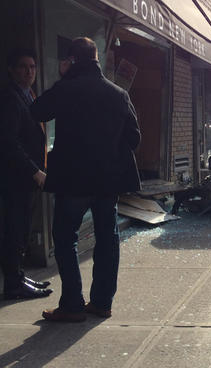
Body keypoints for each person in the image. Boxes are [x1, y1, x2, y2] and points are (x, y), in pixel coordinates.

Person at [31, 37, 141, 322]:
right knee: (108, 238)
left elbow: (37, 111)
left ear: (72, 61)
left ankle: (73, 303)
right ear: (96, 59)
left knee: (65, 239)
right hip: (107, 183)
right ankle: (102, 302)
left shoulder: (66, 89)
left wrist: (63, 78)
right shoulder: (118, 94)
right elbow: (134, 138)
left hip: (72, 181)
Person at [0, 48, 53, 299]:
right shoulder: (10, 98)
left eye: (32, 66)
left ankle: (19, 276)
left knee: (21, 229)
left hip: (26, 179)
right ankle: (13, 283)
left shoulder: (28, 95)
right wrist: (35, 171)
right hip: (16, 179)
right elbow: (9, 143)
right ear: (11, 69)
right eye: (23, 66)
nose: (29, 71)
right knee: (14, 230)